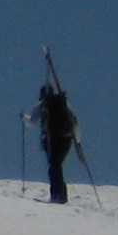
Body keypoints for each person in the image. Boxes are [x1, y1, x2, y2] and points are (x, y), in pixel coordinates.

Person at [30, 54, 82, 205]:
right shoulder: (63, 104)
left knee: (54, 166)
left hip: (51, 138)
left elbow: (32, 121)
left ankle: (57, 196)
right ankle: (61, 195)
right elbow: (74, 121)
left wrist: (23, 117)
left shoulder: (43, 105)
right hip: (66, 138)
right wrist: (78, 141)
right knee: (57, 165)